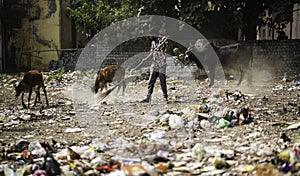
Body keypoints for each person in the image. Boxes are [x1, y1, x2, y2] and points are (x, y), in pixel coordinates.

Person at [141, 36, 168, 103]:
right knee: (151, 81)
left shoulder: (163, 39)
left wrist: (162, 43)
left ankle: (165, 97)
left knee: (162, 81)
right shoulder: (153, 42)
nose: (151, 37)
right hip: (154, 64)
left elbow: (166, 47)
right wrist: (146, 59)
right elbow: (152, 53)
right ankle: (148, 97)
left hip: (162, 64)